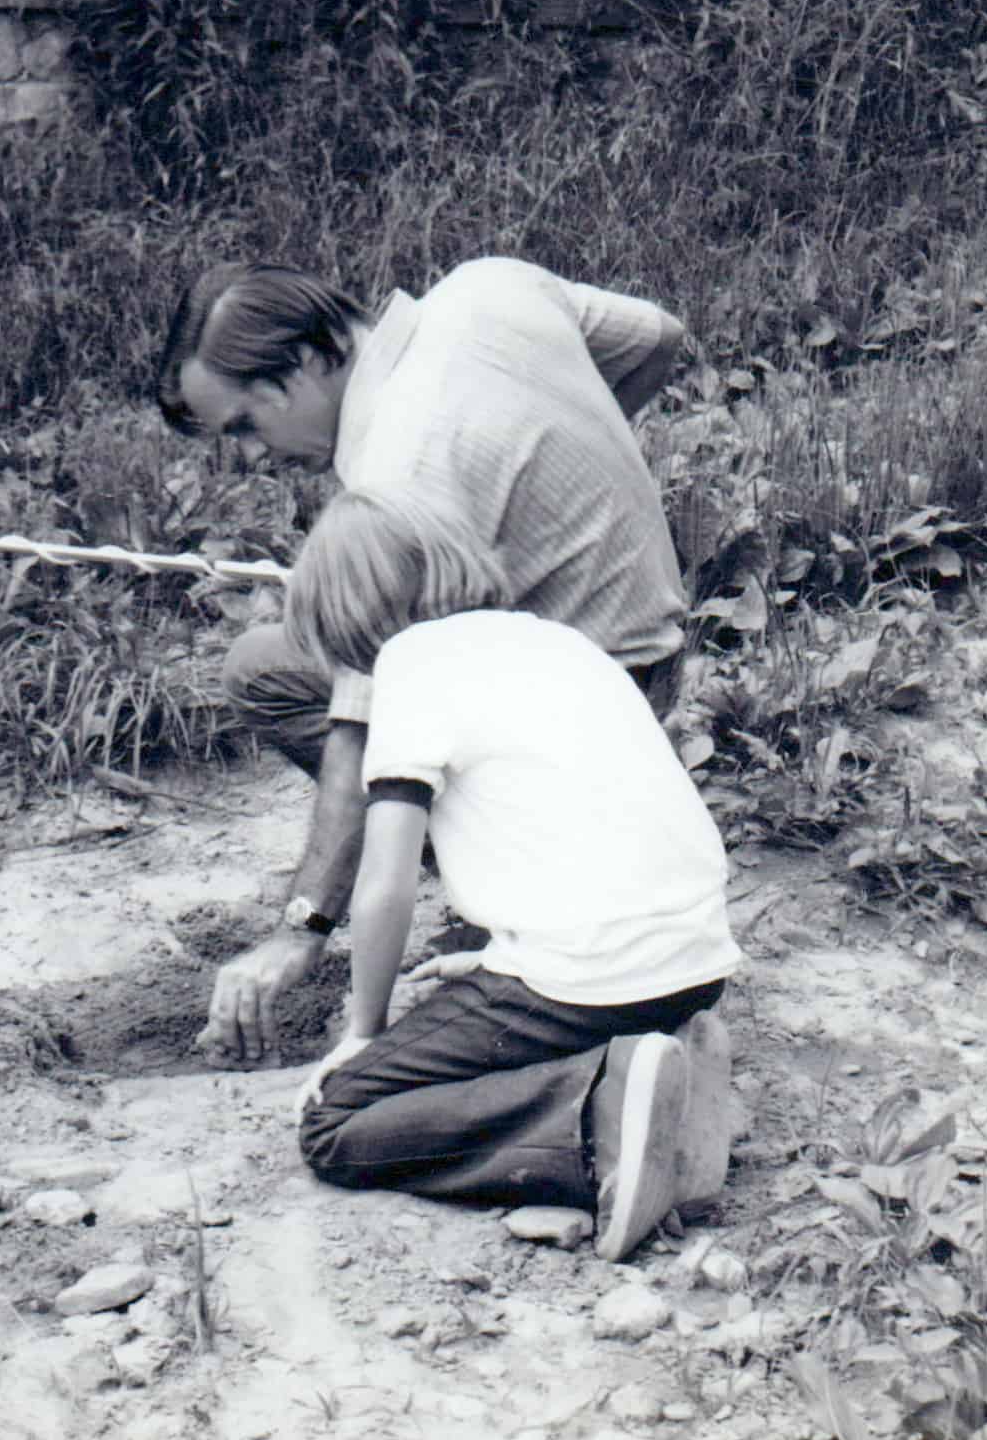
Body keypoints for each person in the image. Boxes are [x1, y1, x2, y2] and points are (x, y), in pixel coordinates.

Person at [157, 257, 689, 1064]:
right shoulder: (485, 289)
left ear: (301, 366)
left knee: (360, 705)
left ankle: (519, 889)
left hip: (592, 700)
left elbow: (361, 730)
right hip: (637, 656)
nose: (254, 453)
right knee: (264, 666)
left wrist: (303, 929)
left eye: (244, 425)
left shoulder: (401, 465)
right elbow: (657, 337)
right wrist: (548, 472)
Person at [281, 491, 738, 1258]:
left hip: (592, 977)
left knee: (336, 1123)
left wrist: (362, 1033)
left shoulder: (411, 664)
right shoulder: (559, 642)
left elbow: (386, 882)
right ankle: (668, 1062)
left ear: (343, 614)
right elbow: (576, 834)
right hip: (695, 963)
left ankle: (597, 1113)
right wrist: (500, 956)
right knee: (493, 1014)